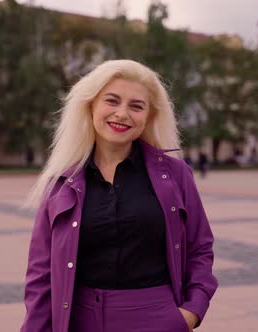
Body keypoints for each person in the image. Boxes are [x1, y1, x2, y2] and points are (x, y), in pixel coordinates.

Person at [20, 60, 217, 332]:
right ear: (91, 106)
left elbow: (200, 248)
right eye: (111, 101)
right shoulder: (61, 183)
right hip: (80, 321)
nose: (122, 113)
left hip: (157, 319)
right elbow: (40, 276)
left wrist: (192, 311)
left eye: (136, 106)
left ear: (148, 116)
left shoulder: (175, 175)